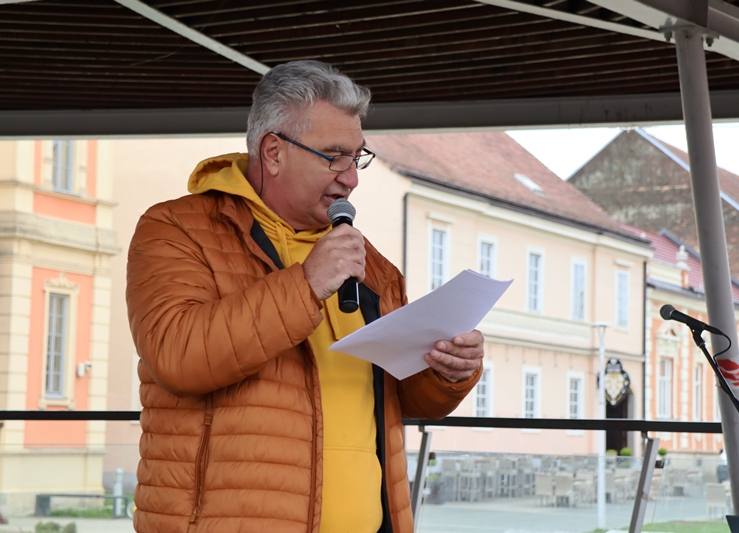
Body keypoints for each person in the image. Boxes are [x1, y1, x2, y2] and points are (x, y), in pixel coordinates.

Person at [126, 60, 484, 533]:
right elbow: (177, 357)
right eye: (334, 156)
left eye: (356, 157)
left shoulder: (370, 265)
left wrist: (447, 371)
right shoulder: (175, 228)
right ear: (273, 152)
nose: (351, 178)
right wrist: (306, 284)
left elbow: (402, 401)